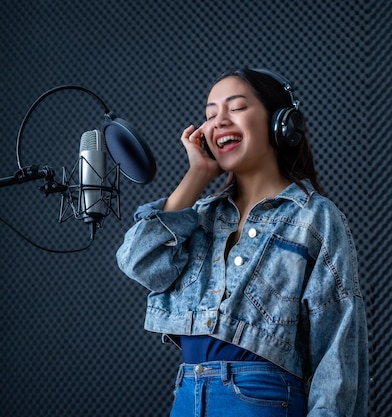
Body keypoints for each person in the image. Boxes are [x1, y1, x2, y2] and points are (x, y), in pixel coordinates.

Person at [116, 68, 369, 416]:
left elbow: (336, 349)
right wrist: (197, 176)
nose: (218, 121)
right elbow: (138, 261)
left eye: (235, 108)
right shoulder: (199, 216)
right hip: (188, 396)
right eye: (209, 114)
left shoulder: (315, 218)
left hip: (262, 401)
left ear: (281, 123)